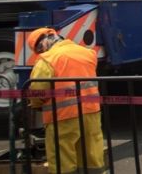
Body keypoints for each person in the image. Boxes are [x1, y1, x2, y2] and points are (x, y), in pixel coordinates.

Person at [27, 27, 104, 174]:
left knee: (63, 160)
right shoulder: (87, 53)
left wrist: (35, 104)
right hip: (91, 113)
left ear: (41, 45)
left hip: (62, 117)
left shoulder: (48, 59)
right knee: (92, 158)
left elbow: (37, 91)